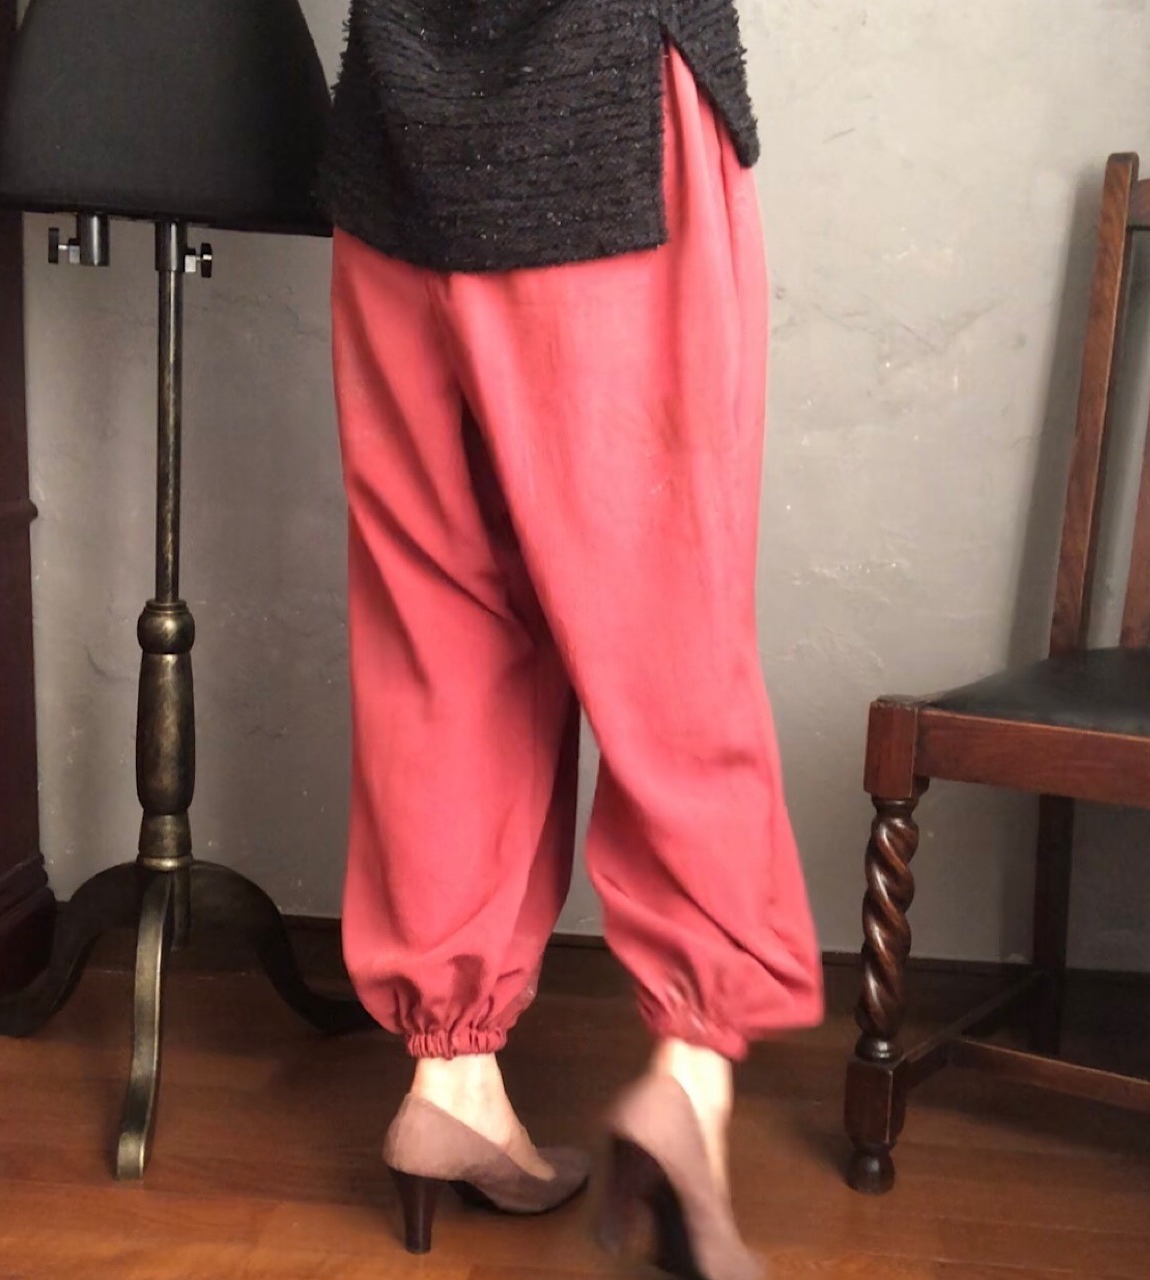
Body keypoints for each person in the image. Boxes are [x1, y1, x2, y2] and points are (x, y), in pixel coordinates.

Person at [319, 3, 824, 1277]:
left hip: (400, 141)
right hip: (602, 108)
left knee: (440, 634)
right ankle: (688, 1073)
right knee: (662, 610)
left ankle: (452, 1078)